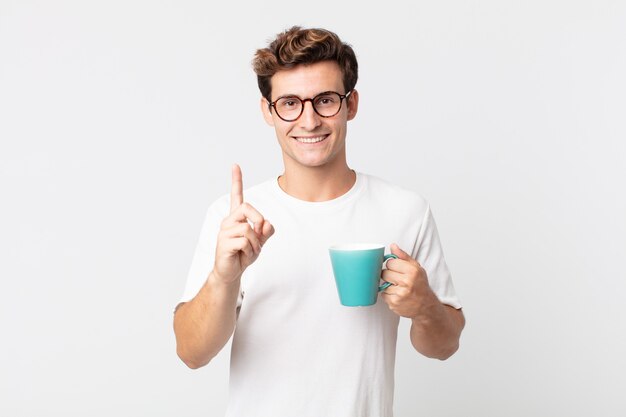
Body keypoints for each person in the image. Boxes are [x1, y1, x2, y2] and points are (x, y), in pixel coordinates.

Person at [173, 26, 465, 417]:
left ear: (351, 104)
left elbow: (444, 347)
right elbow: (191, 353)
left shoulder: (405, 210)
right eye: (290, 103)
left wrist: (425, 305)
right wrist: (223, 279)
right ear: (268, 111)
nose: (309, 120)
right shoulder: (236, 219)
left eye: (325, 100)